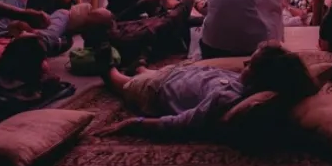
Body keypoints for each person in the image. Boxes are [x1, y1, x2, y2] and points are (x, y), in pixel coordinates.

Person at [97, 41, 318, 138]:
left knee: (119, 81)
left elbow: (182, 122)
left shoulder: (227, 99)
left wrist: (134, 124)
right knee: (148, 71)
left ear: (261, 78)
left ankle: (108, 67)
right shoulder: (243, 82)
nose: (244, 64)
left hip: (157, 90)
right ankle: (141, 66)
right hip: (176, 73)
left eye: (250, 65)